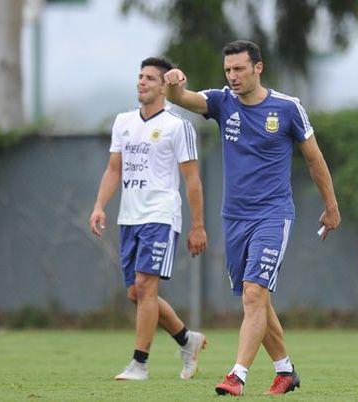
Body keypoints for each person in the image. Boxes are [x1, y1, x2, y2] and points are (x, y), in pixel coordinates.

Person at [164, 40, 341, 396]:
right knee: (257, 299)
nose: (232, 76)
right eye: (228, 70)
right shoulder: (221, 102)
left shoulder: (287, 108)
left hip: (273, 214)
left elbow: (314, 158)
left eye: (239, 69)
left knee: (253, 293)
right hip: (234, 218)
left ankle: (237, 375)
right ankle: (285, 370)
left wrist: (331, 205)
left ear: (258, 68)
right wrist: (172, 83)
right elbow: (181, 98)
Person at [89, 57, 208, 381]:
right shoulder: (123, 122)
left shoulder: (177, 126)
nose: (142, 82)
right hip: (129, 218)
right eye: (140, 76)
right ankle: (188, 340)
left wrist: (197, 225)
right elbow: (115, 169)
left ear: (163, 86)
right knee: (137, 294)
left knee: (145, 286)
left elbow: (192, 179)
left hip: (160, 216)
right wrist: (100, 205)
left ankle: (139, 363)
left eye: (150, 78)